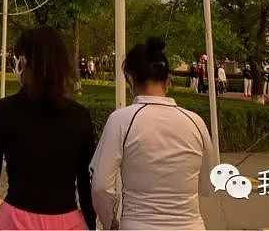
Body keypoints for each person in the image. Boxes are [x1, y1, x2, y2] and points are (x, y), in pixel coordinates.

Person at [91, 37, 216, 230]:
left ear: (129, 77)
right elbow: (208, 184)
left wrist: (109, 221)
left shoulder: (121, 120)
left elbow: (100, 186)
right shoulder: (195, 121)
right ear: (168, 79)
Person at [0, 26, 96, 231]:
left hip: (14, 221)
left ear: (23, 61)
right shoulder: (80, 116)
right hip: (67, 221)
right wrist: (90, 222)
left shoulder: (3, 111)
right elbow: (85, 180)